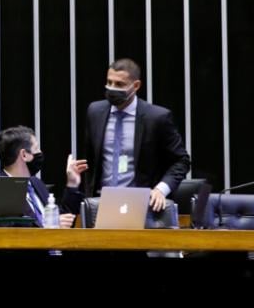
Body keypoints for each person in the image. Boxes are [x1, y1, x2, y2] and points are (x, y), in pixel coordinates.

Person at [74, 58, 190, 212]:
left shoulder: (156, 117)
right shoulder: (95, 111)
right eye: (109, 82)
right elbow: (91, 158)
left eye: (120, 84)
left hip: (142, 203)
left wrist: (161, 190)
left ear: (136, 86)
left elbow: (181, 161)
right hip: (100, 202)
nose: (112, 88)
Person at [0, 126, 87, 228]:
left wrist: (72, 184)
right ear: (24, 155)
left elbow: (63, 220)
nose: (40, 152)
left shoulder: (36, 184)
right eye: (36, 148)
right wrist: (47, 226)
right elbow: (8, 233)